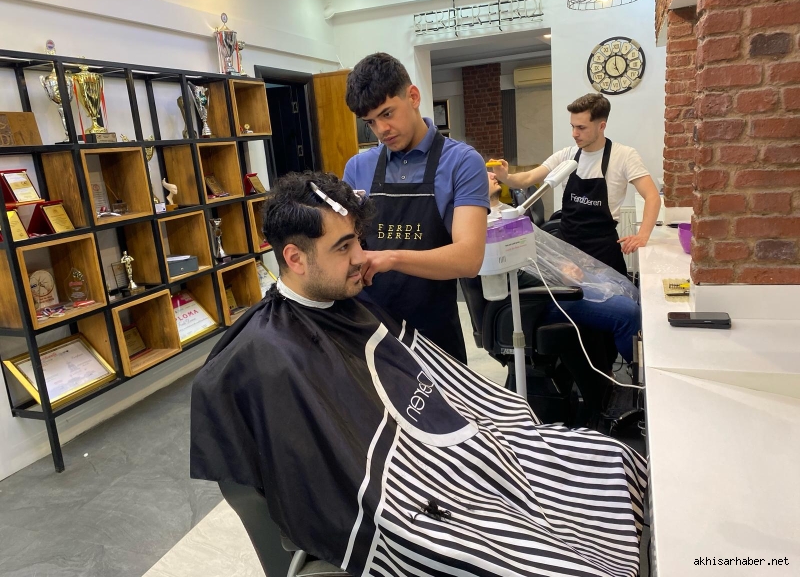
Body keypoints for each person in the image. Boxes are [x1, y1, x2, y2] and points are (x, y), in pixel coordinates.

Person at [190, 172, 648, 577]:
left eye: (357, 240)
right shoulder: (266, 355)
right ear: (295, 258)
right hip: (408, 506)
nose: (361, 257)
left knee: (608, 458)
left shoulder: (346, 302)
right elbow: (333, 475)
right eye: (344, 247)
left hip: (452, 454)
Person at [343, 52, 489, 363]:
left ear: (413, 96)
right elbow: (346, 244)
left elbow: (469, 258)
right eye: (370, 122)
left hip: (434, 336)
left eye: (387, 114)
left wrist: (392, 258)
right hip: (371, 333)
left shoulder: (462, 162)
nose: (381, 129)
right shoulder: (357, 167)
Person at [491, 93, 661, 277]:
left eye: (581, 127)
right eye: (572, 126)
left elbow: (652, 196)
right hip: (567, 250)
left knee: (617, 294)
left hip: (603, 250)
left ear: (601, 126)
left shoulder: (624, 156)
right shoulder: (566, 155)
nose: (574, 134)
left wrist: (643, 235)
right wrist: (505, 176)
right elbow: (527, 178)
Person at [488, 172, 641, 363]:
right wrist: (559, 276)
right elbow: (510, 275)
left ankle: (604, 371)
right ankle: (641, 375)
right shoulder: (485, 225)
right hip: (536, 301)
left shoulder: (505, 212)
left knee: (625, 287)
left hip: (552, 284)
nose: (492, 173)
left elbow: (535, 254)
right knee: (628, 313)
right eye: (483, 172)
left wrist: (561, 265)